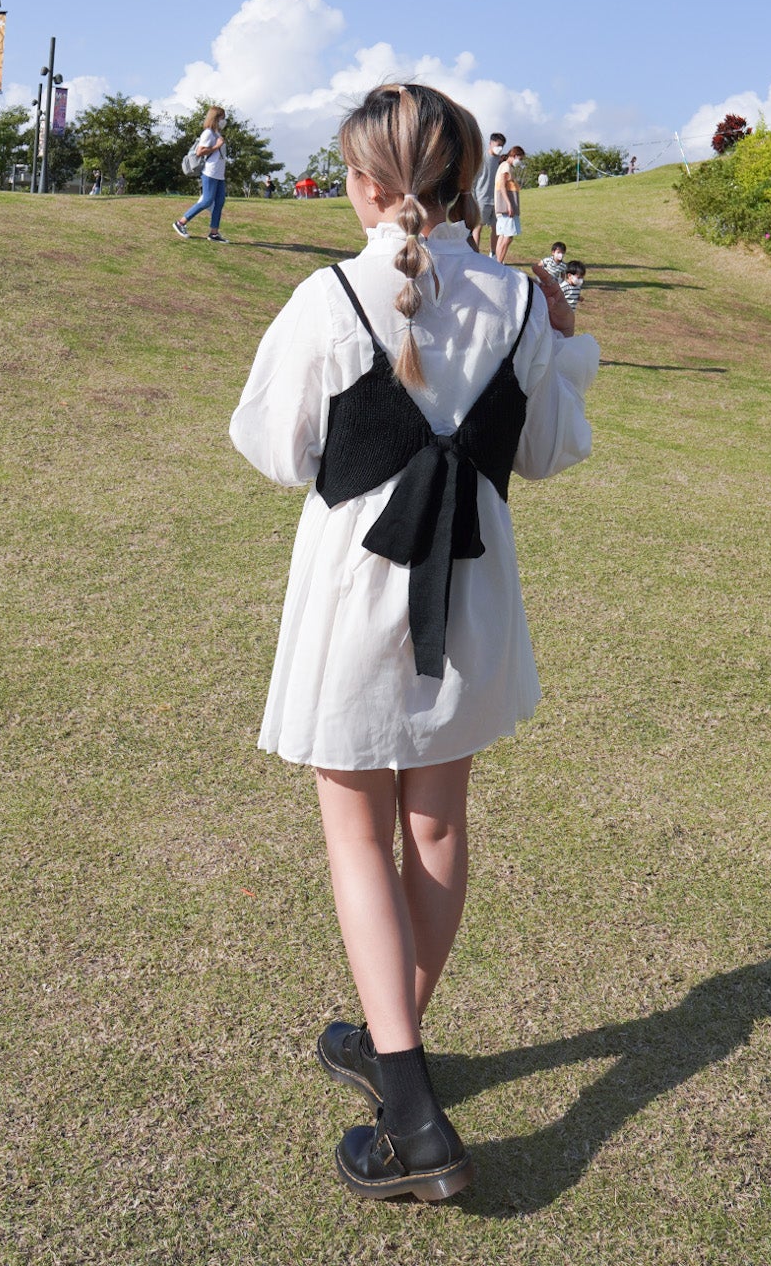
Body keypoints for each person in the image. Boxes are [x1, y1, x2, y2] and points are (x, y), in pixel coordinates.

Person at [230, 83, 599, 1204]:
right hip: (473, 584)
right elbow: (546, 451)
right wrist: (567, 344)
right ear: (459, 178)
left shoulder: (327, 295)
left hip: (356, 589)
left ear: (369, 183)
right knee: (437, 825)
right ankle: (396, 1047)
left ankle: (408, 1103)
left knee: (358, 834)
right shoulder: (523, 298)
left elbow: (275, 446)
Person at [171, 106, 229, 242]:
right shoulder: (208, 133)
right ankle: (181, 223)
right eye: (222, 118)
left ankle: (214, 233)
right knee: (206, 201)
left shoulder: (217, 134)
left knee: (220, 202)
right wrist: (216, 146)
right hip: (210, 172)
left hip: (219, 174)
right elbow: (199, 152)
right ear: (216, 118)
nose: (224, 121)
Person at [471, 133, 506, 253]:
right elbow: (474, 179)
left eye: (502, 146)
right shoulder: (482, 158)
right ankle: (475, 253)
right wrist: (474, 197)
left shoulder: (501, 160)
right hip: (482, 198)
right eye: (498, 145)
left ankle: (493, 253)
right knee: (477, 227)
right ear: (491, 143)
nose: (499, 148)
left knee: (496, 228)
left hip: (496, 200)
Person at [493, 145, 524, 263]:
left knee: (503, 235)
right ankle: (499, 263)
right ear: (515, 156)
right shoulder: (506, 166)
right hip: (506, 208)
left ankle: (497, 262)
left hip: (504, 208)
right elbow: (502, 186)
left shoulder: (506, 166)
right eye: (520, 159)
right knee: (508, 236)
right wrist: (509, 204)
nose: (519, 162)